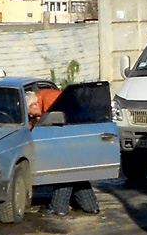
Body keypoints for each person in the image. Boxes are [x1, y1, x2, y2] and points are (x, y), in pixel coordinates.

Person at [30, 87, 101, 216]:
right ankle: (90, 205)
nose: (32, 116)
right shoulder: (44, 100)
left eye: (31, 113)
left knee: (64, 170)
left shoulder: (50, 100)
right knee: (76, 171)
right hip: (80, 134)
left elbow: (50, 123)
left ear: (34, 104)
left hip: (70, 135)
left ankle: (59, 206)